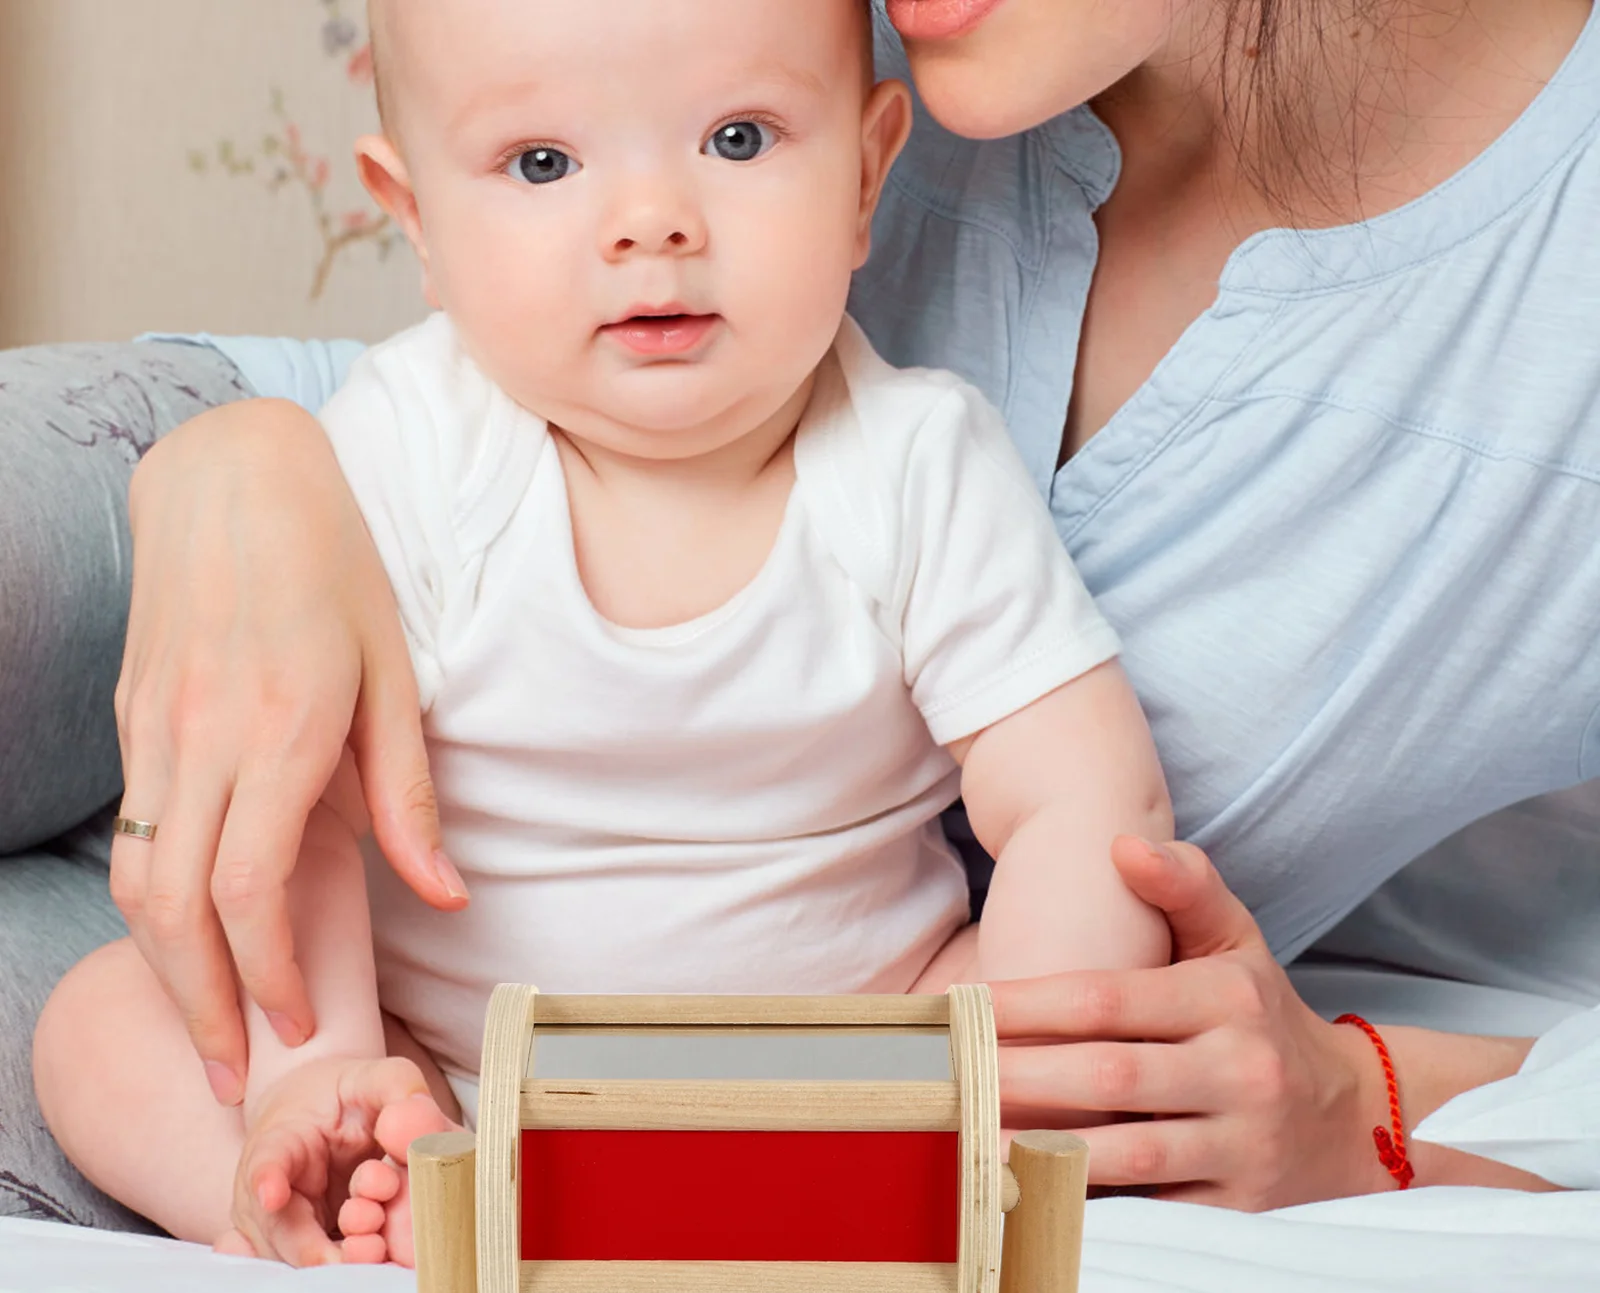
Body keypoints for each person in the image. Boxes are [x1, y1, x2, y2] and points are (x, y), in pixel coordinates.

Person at [18, 0, 1598, 1229]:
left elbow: (1080, 804)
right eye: (550, 168)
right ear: (408, 216)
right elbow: (303, 803)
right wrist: (330, 1075)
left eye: (740, 143)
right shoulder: (423, 431)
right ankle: (326, 1204)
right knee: (102, 1036)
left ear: (865, 169)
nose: (653, 226)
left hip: (850, 1058)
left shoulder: (910, 458)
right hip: (441, 1050)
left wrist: (1020, 1092)